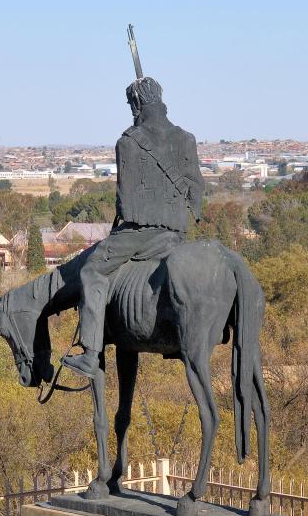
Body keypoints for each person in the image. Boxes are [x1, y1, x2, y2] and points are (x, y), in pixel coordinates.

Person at [56, 76, 204, 377]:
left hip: (143, 233)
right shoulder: (185, 138)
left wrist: (128, 220)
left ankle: (91, 352)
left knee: (92, 271)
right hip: (177, 231)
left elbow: (127, 202)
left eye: (130, 106)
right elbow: (196, 189)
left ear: (136, 104)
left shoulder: (128, 142)